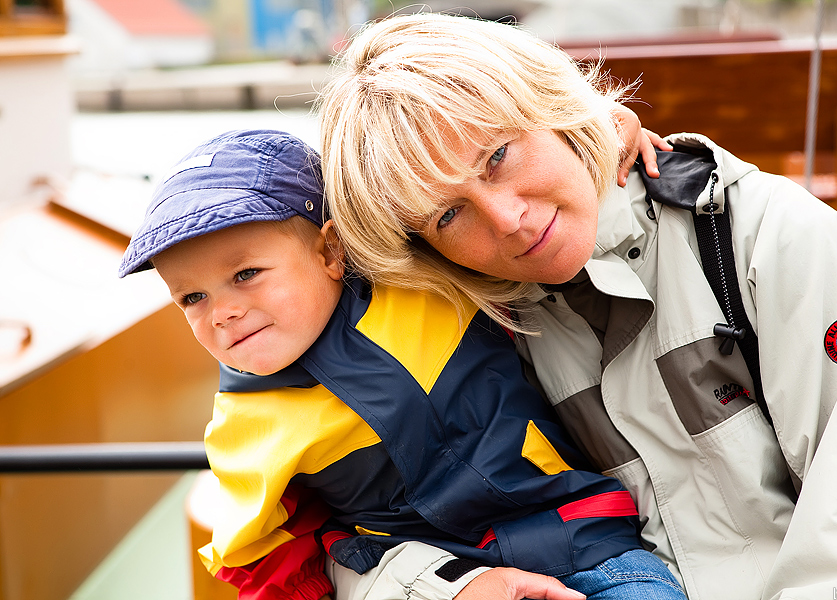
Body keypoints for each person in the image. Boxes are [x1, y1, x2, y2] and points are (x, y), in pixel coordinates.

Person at [315, 12, 837, 600]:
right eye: (448, 214)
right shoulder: (464, 331)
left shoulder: (768, 239)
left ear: (551, 106)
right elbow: (353, 536)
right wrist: (456, 588)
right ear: (426, 252)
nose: (507, 218)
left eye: (498, 157)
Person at [117, 129, 689, 600]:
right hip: (438, 582)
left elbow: (469, 198)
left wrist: (601, 130)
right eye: (192, 298)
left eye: (245, 275)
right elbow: (265, 560)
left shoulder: (419, 277)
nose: (223, 313)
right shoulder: (244, 426)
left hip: (584, 544)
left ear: (331, 250)